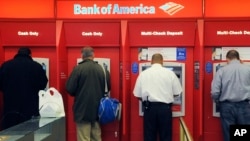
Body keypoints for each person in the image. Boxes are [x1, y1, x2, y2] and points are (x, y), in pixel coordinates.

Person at [133, 53, 182, 141]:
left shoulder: (143, 74)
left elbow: (137, 95)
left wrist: (146, 101)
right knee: (166, 137)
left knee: (149, 137)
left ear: (151, 61)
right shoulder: (170, 74)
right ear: (162, 61)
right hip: (165, 109)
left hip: (149, 109)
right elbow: (177, 93)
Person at [66, 46, 110, 141]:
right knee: (96, 137)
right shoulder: (103, 69)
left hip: (82, 111)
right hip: (98, 110)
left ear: (82, 56)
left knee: (83, 138)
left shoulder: (78, 69)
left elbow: (69, 88)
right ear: (93, 55)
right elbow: (108, 88)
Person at [0, 47, 48, 130]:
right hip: (30, 106)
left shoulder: (6, 66)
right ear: (30, 55)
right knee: (29, 132)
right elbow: (43, 84)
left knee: (11, 132)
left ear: (17, 53)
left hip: (10, 106)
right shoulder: (36, 66)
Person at [211, 49, 250, 141]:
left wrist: (218, 101)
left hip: (227, 106)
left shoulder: (222, 71)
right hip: (244, 106)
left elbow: (214, 92)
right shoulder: (248, 69)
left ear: (227, 59)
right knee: (242, 134)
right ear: (238, 58)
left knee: (228, 135)